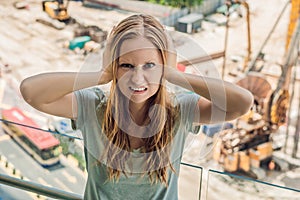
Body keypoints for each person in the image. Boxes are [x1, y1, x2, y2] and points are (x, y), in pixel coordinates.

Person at [20, 14, 253, 200]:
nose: (138, 78)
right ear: (114, 67)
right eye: (127, 65)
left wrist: (173, 75)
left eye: (150, 65)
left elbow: (242, 103)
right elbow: (31, 92)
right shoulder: (93, 107)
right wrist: (101, 76)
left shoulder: (180, 110)